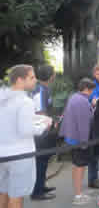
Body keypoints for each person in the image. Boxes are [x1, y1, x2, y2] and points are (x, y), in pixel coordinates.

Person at [0, 65, 51, 208]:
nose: (35, 80)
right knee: (16, 196)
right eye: (32, 77)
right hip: (19, 156)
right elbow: (26, 129)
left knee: (2, 192)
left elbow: (13, 119)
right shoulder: (25, 101)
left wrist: (38, 119)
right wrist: (44, 125)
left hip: (2, 154)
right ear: (19, 80)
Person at [59, 78, 96, 206]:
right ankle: (78, 195)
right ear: (86, 88)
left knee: (76, 166)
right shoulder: (83, 101)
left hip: (71, 137)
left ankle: (78, 192)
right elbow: (84, 124)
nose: (92, 92)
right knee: (80, 167)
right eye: (91, 90)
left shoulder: (74, 97)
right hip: (79, 140)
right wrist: (85, 143)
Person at [31, 65, 57, 201]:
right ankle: (37, 192)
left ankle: (41, 185)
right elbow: (40, 112)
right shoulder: (41, 90)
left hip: (44, 130)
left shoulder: (44, 88)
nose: (55, 75)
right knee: (40, 161)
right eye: (53, 73)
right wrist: (49, 123)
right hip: (41, 133)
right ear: (50, 76)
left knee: (43, 160)